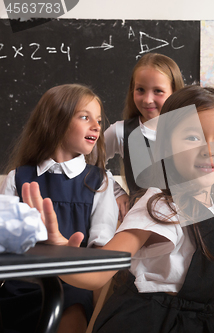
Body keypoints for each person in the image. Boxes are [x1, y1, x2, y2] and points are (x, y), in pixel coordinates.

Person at [21, 85, 214, 333]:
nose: (209, 150)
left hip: (201, 323)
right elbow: (102, 269)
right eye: (193, 137)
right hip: (151, 322)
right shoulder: (162, 204)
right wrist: (60, 255)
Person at [0, 84, 118, 333]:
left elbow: (101, 250)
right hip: (20, 285)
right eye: (85, 117)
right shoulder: (17, 178)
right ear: (55, 121)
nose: (97, 126)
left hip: (72, 283)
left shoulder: (99, 181)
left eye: (98, 119)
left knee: (72, 307)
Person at [104, 53, 184, 220]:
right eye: (140, 90)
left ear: (175, 92)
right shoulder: (120, 131)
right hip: (139, 224)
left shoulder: (190, 133)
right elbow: (88, 163)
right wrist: (116, 192)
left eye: (158, 91)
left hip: (183, 225)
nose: (148, 100)